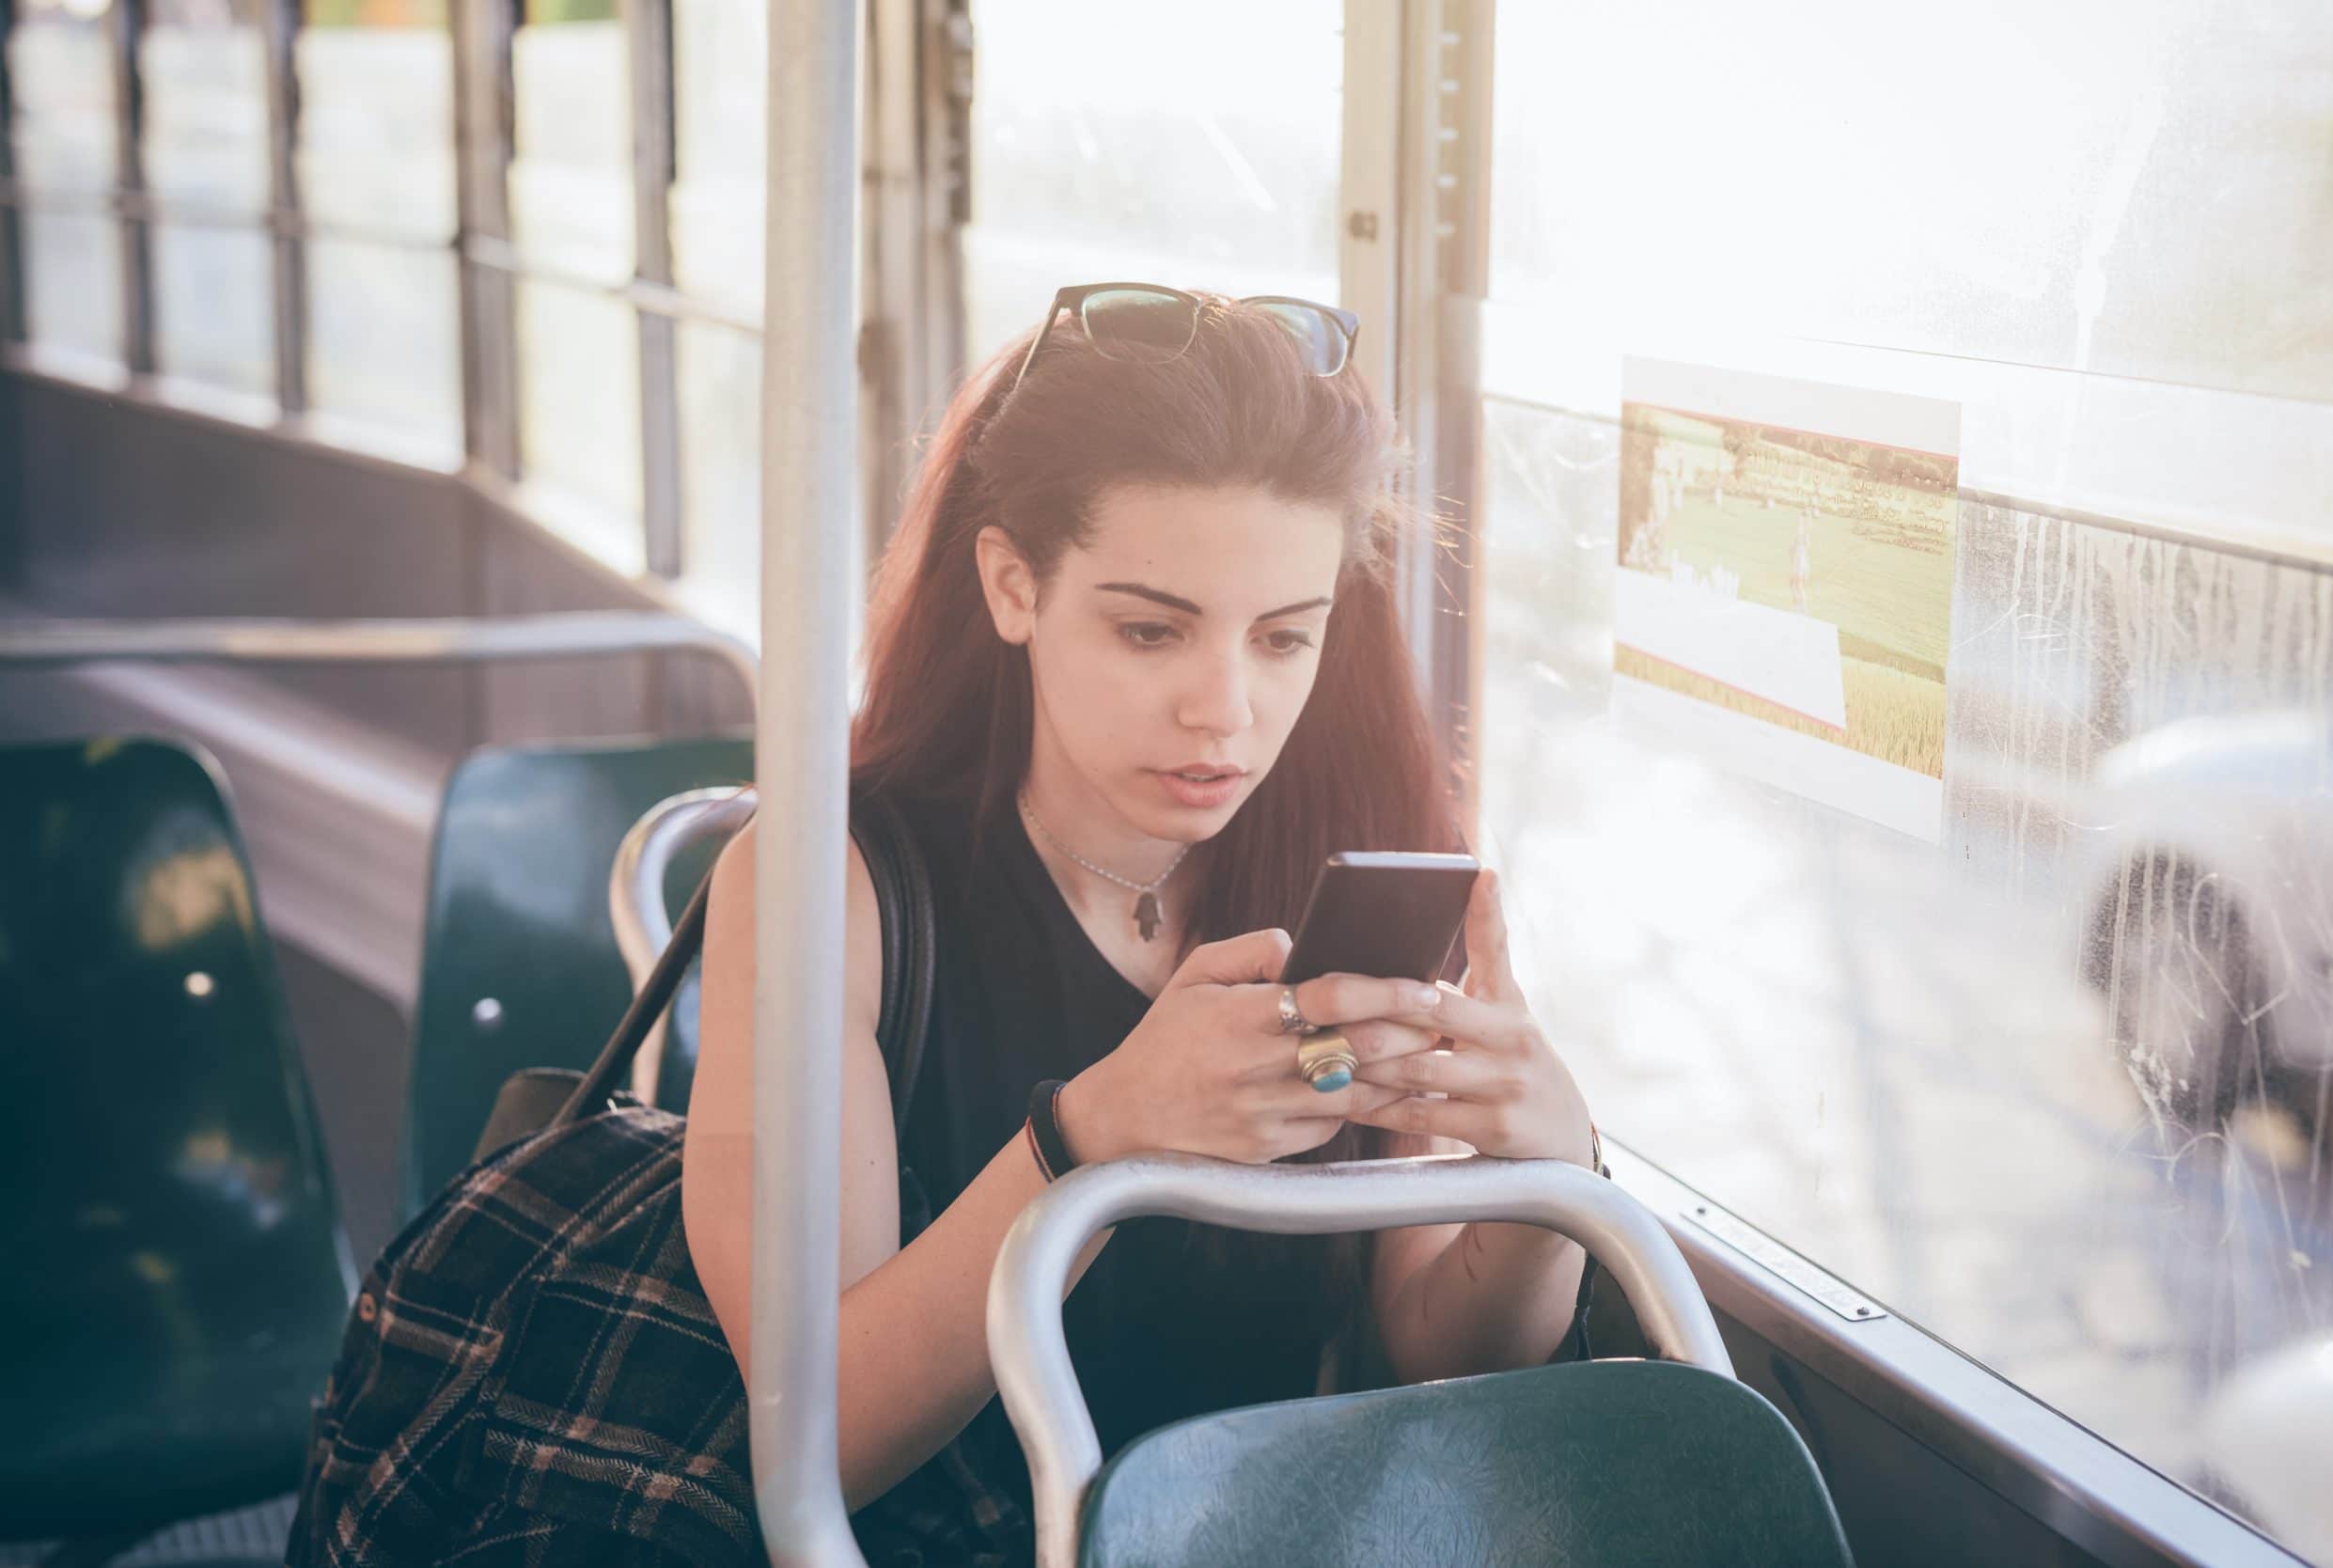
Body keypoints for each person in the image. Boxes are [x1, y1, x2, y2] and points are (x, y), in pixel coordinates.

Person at [289, 285, 1602, 1566]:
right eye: (1151, 632)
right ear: (1013, 585)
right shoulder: (827, 890)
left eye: (1283, 639)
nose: (1226, 710)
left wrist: (1549, 1178)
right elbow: (819, 1441)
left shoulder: (1360, 860)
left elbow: (1445, 1354)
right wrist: (1094, 1139)